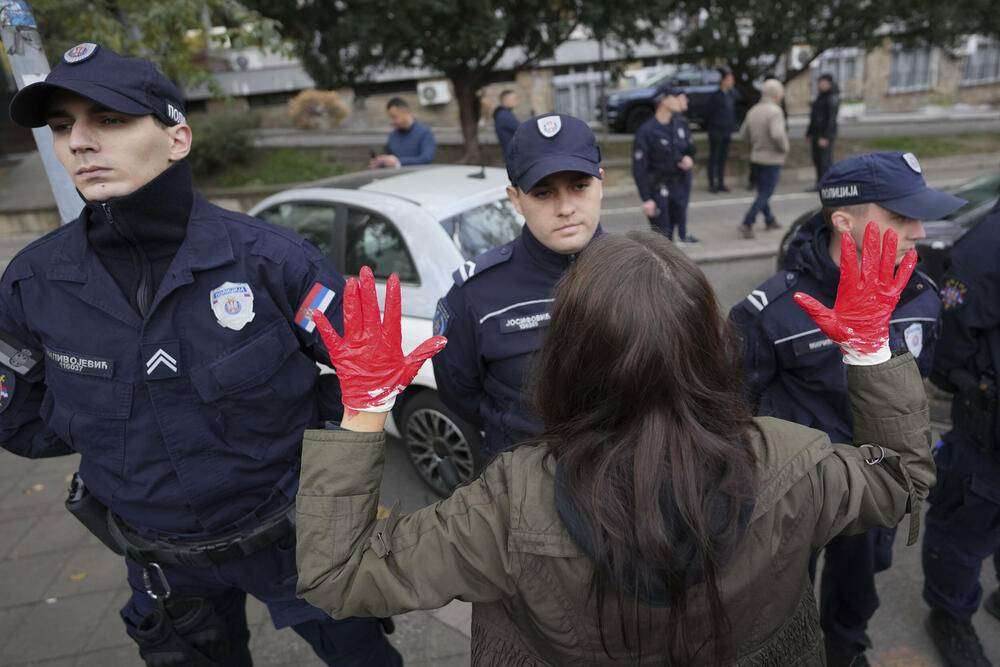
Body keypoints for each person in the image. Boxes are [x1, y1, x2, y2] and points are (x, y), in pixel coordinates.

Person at [294, 219, 935, 665]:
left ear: (566, 357)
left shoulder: (507, 504)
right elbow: (902, 480)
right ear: (714, 347)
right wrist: (871, 350)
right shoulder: (795, 460)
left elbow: (338, 574)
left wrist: (367, 406)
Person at [0, 43, 400, 666]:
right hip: (160, 563)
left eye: (109, 119)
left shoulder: (273, 261)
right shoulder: (33, 283)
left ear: (177, 139)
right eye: (61, 126)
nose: (78, 142)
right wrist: (113, 439)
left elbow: (365, 375)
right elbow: (18, 418)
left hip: (296, 542)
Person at [729, 150, 966, 666]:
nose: (920, 232)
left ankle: (846, 645)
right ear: (843, 219)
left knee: (857, 586)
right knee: (781, 592)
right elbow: (732, 412)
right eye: (900, 217)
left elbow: (917, 386)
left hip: (877, 482)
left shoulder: (919, 295)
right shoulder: (773, 311)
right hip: (797, 492)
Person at [431, 113, 603, 460]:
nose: (566, 207)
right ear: (515, 199)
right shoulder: (474, 294)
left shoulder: (648, 273)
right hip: (523, 487)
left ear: (602, 182)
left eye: (579, 186)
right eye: (543, 193)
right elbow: (460, 395)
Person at [922, 198, 1000, 667]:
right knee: (966, 524)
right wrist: (973, 389)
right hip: (988, 431)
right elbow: (950, 334)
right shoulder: (989, 243)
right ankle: (949, 614)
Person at [632, 82, 698, 243]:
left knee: (673, 231)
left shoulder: (680, 124)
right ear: (664, 101)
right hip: (658, 189)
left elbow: (690, 149)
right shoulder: (647, 131)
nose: (680, 100)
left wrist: (689, 159)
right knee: (662, 237)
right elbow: (639, 167)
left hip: (678, 186)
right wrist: (646, 198)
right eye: (675, 97)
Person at [738, 78, 789, 239]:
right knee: (765, 193)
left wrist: (755, 143)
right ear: (776, 94)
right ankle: (747, 222)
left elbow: (743, 134)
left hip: (756, 156)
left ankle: (770, 219)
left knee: (762, 191)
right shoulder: (775, 111)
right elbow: (777, 134)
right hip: (771, 158)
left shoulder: (754, 110)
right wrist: (784, 147)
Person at [369, 96, 436, 168]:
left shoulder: (424, 132)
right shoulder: (393, 136)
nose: (392, 121)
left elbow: (426, 159)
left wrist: (398, 162)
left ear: (405, 112)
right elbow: (390, 161)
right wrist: (381, 163)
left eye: (394, 117)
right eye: (390, 118)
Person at [806, 73, 840, 190]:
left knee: (825, 161)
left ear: (829, 83)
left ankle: (828, 185)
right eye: (819, 82)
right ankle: (820, 184)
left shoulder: (832, 97)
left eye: (822, 82)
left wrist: (825, 137)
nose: (820, 85)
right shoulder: (820, 96)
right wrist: (809, 133)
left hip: (825, 135)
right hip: (816, 134)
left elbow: (831, 119)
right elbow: (814, 116)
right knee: (817, 160)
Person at [705, 67, 737, 193]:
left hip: (727, 131)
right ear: (723, 81)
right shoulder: (715, 97)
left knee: (723, 158)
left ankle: (721, 182)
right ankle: (713, 183)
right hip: (716, 131)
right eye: (730, 80)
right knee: (714, 158)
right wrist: (712, 128)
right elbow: (708, 114)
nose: (732, 82)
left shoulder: (730, 95)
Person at [493, 89, 520, 160]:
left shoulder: (503, 113)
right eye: (514, 98)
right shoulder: (505, 115)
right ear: (505, 100)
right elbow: (522, 129)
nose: (517, 101)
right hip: (513, 156)